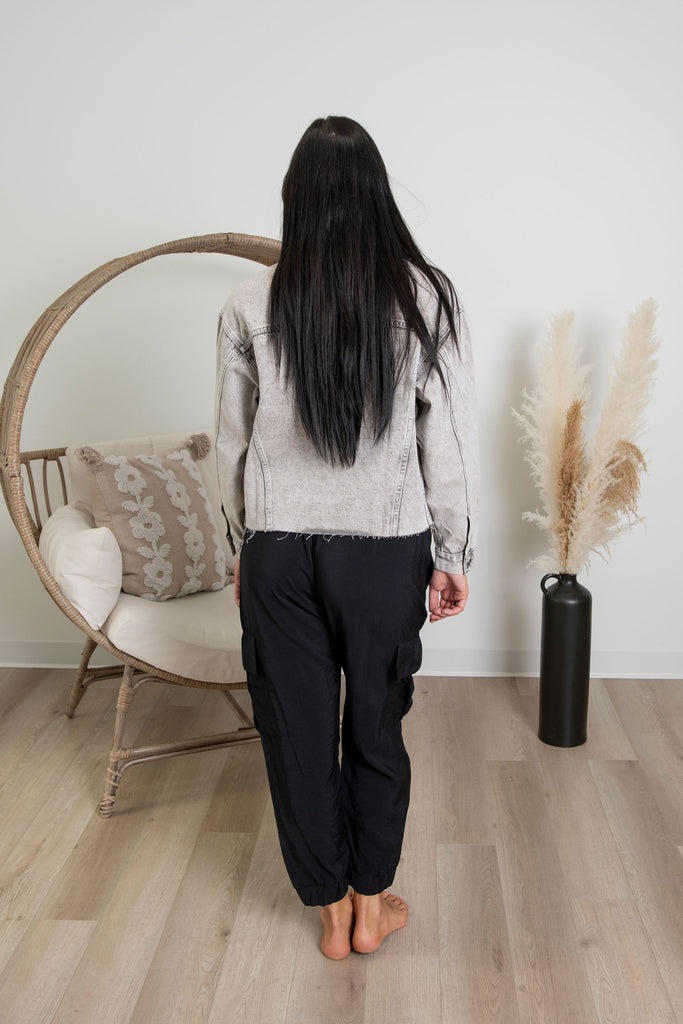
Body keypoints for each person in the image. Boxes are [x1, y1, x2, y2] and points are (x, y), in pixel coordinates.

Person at [215, 115, 479, 960]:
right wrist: (451, 554)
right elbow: (446, 441)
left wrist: (242, 545)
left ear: (295, 196)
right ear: (376, 194)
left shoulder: (248, 300)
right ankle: (371, 908)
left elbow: (230, 443)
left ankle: (329, 917)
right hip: (383, 551)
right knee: (375, 726)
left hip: (279, 551)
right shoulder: (424, 295)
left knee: (294, 732)